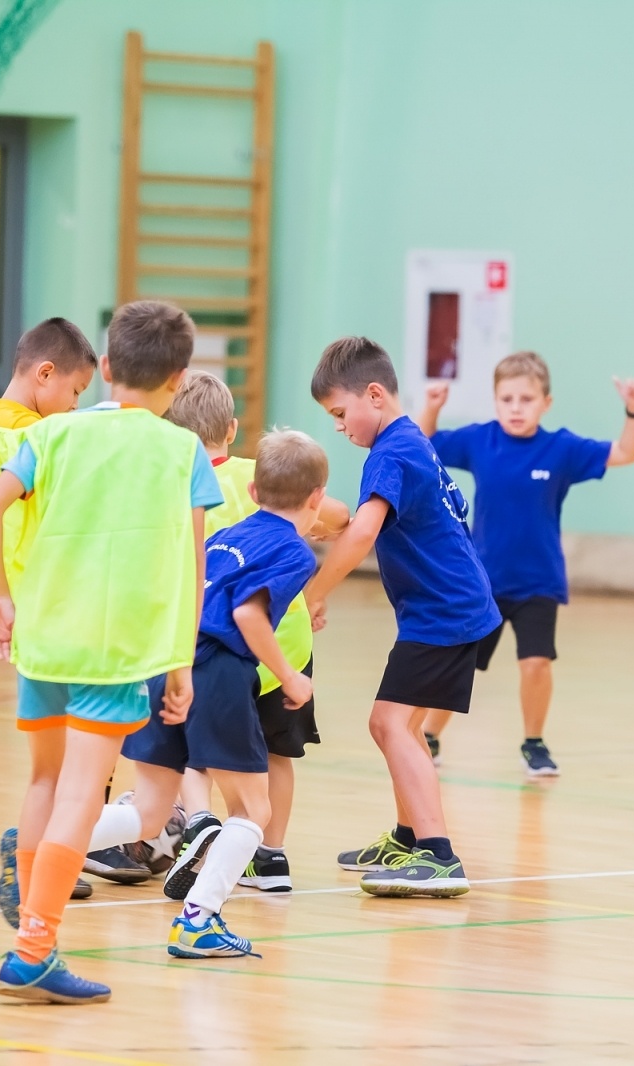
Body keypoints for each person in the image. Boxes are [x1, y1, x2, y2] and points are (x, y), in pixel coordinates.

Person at [0, 300, 222, 1004]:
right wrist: (181, 663)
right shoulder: (183, 453)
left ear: (107, 366)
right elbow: (193, 567)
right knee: (83, 795)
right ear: (179, 380)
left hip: (44, 638)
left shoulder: (52, 433)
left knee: (45, 783)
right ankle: (33, 951)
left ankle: (34, 941)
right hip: (113, 650)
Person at [83, 429, 329, 957]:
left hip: (168, 663)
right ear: (317, 498)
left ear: (255, 493)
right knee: (253, 810)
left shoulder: (228, 536)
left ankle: (36, 844)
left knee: (150, 811)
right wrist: (290, 677)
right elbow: (248, 614)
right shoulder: (294, 550)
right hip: (216, 672)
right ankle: (199, 920)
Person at [304, 337, 500, 898]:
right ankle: (408, 837)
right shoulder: (409, 441)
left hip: (444, 613)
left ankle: (438, 855)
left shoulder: (390, 452)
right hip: (447, 608)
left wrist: (315, 592)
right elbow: (376, 522)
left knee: (390, 724)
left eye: (340, 413)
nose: (339, 427)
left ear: (374, 395)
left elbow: (365, 531)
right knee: (399, 725)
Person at [162, 371, 350, 893]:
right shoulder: (260, 472)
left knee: (203, 750)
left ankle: (207, 829)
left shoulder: (178, 489)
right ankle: (270, 856)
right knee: (277, 752)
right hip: (286, 643)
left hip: (220, 645)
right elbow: (341, 518)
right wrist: (319, 531)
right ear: (231, 428)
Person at [417, 351, 634, 775]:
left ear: (546, 402)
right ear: (495, 401)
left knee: (536, 664)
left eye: (526, 399)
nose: (516, 408)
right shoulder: (480, 440)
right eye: (507, 399)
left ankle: (534, 743)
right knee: (461, 664)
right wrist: (432, 406)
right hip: (484, 583)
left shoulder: (562, 448)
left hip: (539, 583)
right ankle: (429, 735)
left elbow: (626, 452)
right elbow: (424, 443)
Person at [0, 318, 100, 925]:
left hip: (38, 609)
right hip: (54, 606)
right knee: (78, 762)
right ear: (44, 374)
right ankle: (39, 871)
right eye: (75, 391)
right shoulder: (33, 437)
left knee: (59, 767)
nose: (76, 405)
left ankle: (47, 868)